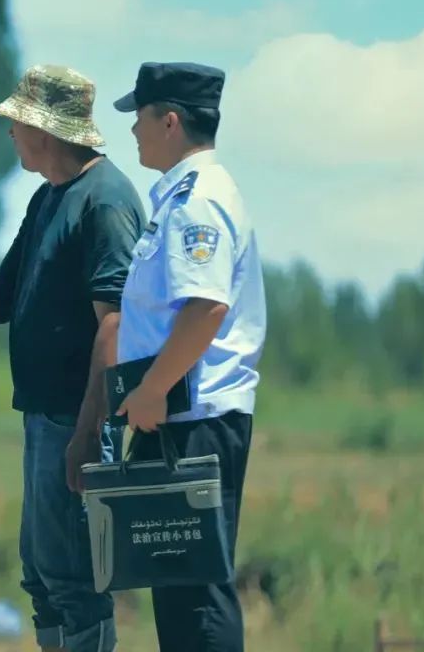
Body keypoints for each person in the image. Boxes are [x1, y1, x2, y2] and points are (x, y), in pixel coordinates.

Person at [0, 65, 146, 652]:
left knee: (76, 581)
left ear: (43, 130)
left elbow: (115, 324)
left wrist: (87, 433)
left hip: (76, 420)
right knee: (44, 576)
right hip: (45, 419)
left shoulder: (105, 200)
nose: (10, 134)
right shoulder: (48, 199)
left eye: (17, 124)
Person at [110, 62, 267, 652]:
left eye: (140, 117)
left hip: (194, 417)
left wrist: (152, 389)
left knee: (197, 591)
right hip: (177, 414)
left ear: (170, 121)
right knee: (178, 587)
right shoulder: (181, 196)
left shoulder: (198, 200)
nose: (133, 130)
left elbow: (206, 307)